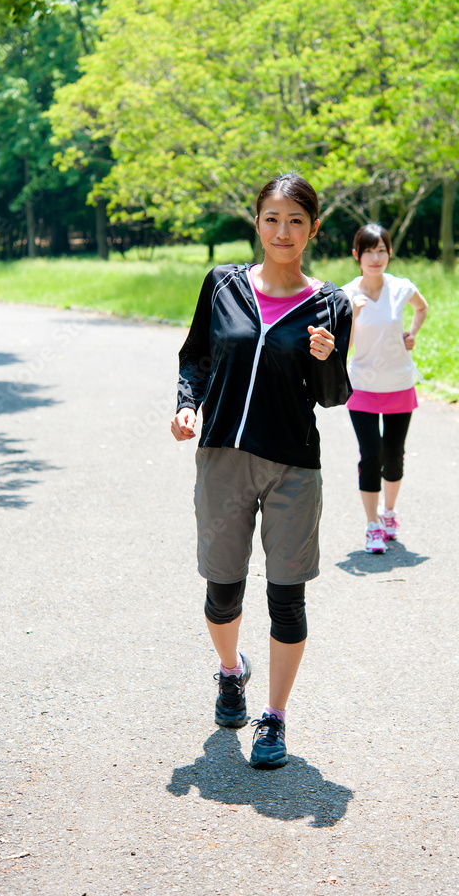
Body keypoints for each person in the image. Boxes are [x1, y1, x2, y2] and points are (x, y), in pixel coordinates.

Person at [171, 174, 352, 770]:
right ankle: (230, 673)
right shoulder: (222, 284)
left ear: (313, 229)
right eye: (272, 219)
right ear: (257, 223)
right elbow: (197, 353)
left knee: (286, 599)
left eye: (296, 221)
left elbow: (332, 396)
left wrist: (326, 360)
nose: (283, 231)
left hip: (293, 465)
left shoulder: (331, 304)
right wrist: (186, 403)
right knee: (222, 592)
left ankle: (273, 718)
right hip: (222, 456)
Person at [341, 223, 428, 554]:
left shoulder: (402, 288)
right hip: (362, 385)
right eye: (368, 251)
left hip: (398, 383)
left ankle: (389, 514)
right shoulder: (348, 294)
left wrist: (412, 333)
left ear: (389, 253)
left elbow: (422, 307)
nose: (375, 258)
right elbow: (341, 346)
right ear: (357, 256)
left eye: (381, 251)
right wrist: (351, 316)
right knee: (371, 453)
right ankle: (372, 525)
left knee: (394, 455)